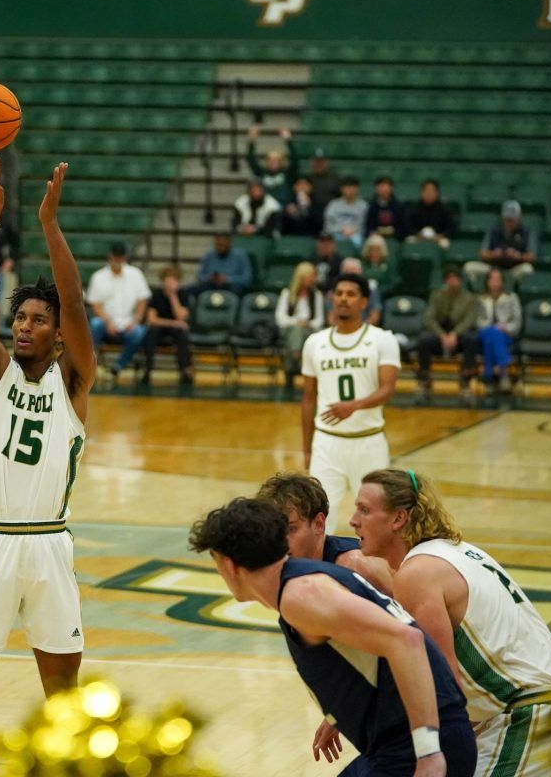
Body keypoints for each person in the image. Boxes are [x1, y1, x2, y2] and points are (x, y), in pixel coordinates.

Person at [0, 158, 96, 777]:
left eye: (37, 319)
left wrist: (49, 225)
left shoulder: (74, 383)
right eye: (20, 318)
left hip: (50, 549)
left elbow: (78, 303)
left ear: (58, 334)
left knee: (63, 695)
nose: (23, 326)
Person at [188, 497, 476, 777]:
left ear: (229, 564)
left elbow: (407, 640)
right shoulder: (302, 583)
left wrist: (428, 752)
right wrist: (339, 712)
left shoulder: (301, 595)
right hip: (406, 743)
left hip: (419, 746)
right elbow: (368, 656)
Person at [352, 469, 551, 777]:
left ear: (398, 519)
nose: (353, 520)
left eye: (364, 510)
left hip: (528, 714)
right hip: (548, 704)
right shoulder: (456, 552)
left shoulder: (416, 575)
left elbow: (445, 686)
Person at [302, 275, 400, 532]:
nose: (344, 298)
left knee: (377, 518)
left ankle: (380, 571)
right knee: (319, 516)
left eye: (351, 294)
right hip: (326, 441)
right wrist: (307, 447)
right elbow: (308, 400)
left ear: (364, 301)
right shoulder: (315, 342)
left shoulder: (382, 339)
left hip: (369, 442)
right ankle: (317, 571)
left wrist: (353, 406)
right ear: (332, 298)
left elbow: (388, 389)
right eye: (339, 293)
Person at [256, 471, 392, 595]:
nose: (279, 542)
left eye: (290, 530)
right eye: (273, 531)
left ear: (318, 524)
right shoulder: (280, 568)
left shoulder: (358, 564)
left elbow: (409, 615)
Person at [87, 242, 150, 380]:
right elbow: (95, 304)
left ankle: (118, 366)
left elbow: (142, 300)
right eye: (116, 257)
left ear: (125, 258)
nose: (118, 261)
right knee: (95, 324)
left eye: (120, 257)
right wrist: (108, 321)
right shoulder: (99, 276)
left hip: (128, 321)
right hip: (105, 321)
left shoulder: (136, 274)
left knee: (139, 332)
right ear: (110, 257)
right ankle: (90, 365)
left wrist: (136, 320)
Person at [417, 266, 480, 403]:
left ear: (460, 281)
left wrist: (454, 334)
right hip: (440, 334)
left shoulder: (469, 298)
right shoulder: (437, 295)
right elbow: (429, 318)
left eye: (455, 279)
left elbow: (470, 320)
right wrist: (441, 335)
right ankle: (424, 380)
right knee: (424, 340)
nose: (453, 282)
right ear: (445, 281)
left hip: (459, 334)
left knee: (472, 340)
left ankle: (465, 381)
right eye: (450, 279)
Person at [141, 266, 193, 385]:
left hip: (175, 329)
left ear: (178, 281)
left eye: (173, 279)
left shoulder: (183, 294)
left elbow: (181, 316)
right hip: (161, 326)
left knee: (182, 333)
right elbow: (152, 319)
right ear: (162, 280)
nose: (170, 282)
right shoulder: (157, 294)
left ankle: (184, 370)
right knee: (151, 332)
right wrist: (174, 323)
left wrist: (172, 296)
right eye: (167, 279)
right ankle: (147, 368)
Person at [465, 201, 534, 286]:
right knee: (469, 267)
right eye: (507, 219)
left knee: (527, 269)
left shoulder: (525, 232)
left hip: (513, 269)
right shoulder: (494, 230)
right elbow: (482, 254)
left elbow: (531, 256)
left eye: (512, 219)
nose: (509, 222)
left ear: (518, 217)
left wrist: (517, 256)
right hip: (493, 268)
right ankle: (482, 295)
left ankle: (517, 294)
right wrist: (493, 254)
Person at [275, 262, 324, 385]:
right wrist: (297, 322)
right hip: (289, 329)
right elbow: (280, 318)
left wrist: (307, 324)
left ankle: (293, 362)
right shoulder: (287, 293)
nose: (312, 279)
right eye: (309, 276)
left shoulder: (317, 295)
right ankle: (297, 357)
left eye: (313, 276)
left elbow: (320, 320)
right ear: (300, 277)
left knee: (299, 334)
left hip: (310, 330)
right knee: (296, 330)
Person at [475, 269, 521, 393]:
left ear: (502, 282)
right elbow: (477, 320)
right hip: (484, 332)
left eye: (498, 279)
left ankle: (488, 375)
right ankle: (503, 373)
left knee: (494, 336)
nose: (495, 282)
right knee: (492, 332)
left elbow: (517, 322)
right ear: (487, 281)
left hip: (505, 334)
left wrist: (505, 327)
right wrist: (490, 327)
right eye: (492, 279)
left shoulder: (511, 298)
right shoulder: (480, 299)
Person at [245, 127, 296, 204]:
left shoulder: (287, 173)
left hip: (283, 206)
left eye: (276, 160)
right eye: (271, 160)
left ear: (281, 162)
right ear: (267, 162)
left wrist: (288, 141)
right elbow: (251, 160)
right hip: (266, 208)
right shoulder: (262, 173)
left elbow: (295, 160)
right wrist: (251, 140)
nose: (273, 162)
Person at [327, 258, 382, 326]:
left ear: (360, 273)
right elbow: (331, 319)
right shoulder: (334, 291)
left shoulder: (371, 290)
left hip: (365, 329)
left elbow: (374, 317)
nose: (350, 278)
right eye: (347, 273)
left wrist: (356, 329)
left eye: (354, 274)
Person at [405, 180, 456, 249]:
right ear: (422, 193)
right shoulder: (414, 208)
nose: (429, 194)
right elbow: (408, 225)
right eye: (426, 191)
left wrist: (440, 236)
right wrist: (417, 234)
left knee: (445, 244)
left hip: (438, 238)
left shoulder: (445, 209)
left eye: (432, 191)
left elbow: (451, 227)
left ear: (437, 193)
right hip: (418, 237)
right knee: (409, 241)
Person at [323, 177, 369, 247]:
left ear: (357, 189)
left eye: (353, 188)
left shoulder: (364, 206)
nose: (350, 191)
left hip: (356, 234)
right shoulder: (333, 204)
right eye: (347, 188)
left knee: (359, 240)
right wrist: (341, 229)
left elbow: (364, 224)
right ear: (342, 189)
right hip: (336, 233)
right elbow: (328, 224)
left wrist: (353, 230)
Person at [366, 176, 406, 240]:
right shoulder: (372, 206)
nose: (384, 189)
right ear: (376, 188)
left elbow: (402, 227)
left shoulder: (399, 206)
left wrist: (394, 232)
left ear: (391, 188)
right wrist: (373, 233)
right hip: (376, 239)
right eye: (381, 186)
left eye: (386, 186)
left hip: (395, 238)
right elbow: (369, 226)